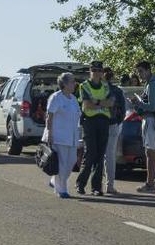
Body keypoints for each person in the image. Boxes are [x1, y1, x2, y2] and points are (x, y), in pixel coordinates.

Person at [76, 61, 114, 196]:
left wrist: (96, 102)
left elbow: (111, 102)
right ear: (90, 72)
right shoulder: (84, 86)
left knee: (100, 155)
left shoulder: (105, 85)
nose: (97, 73)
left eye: (99, 70)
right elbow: (87, 105)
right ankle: (81, 183)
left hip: (103, 122)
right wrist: (101, 104)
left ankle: (96, 187)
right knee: (91, 154)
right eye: (94, 70)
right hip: (90, 122)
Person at [43, 72, 82, 199]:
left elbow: (78, 116)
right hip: (58, 136)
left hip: (72, 137)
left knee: (72, 162)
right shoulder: (56, 97)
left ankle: (54, 181)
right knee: (62, 164)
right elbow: (49, 116)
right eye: (72, 81)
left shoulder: (73, 99)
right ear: (64, 84)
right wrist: (49, 133)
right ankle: (62, 190)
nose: (74, 83)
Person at [131, 61, 155, 193]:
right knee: (149, 152)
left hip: (153, 121)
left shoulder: (153, 84)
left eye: (141, 71)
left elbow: (153, 106)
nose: (139, 74)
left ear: (148, 70)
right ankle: (150, 183)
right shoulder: (151, 83)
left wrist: (138, 103)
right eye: (138, 71)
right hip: (150, 121)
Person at [104, 67, 126, 195]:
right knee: (110, 156)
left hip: (99, 124)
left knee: (98, 155)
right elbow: (122, 111)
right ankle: (110, 185)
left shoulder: (98, 90)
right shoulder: (117, 91)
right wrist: (118, 122)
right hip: (113, 124)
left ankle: (96, 185)